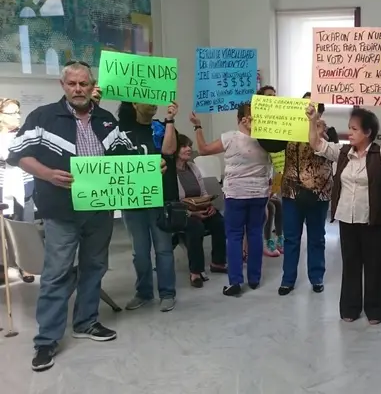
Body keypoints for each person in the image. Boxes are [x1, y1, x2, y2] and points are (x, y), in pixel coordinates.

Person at [7, 61, 139, 371]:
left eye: (84, 84)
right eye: (72, 84)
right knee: (56, 273)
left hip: (101, 209)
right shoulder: (43, 117)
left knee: (95, 266)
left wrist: (149, 167)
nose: (78, 89)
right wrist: (47, 174)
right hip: (60, 209)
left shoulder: (107, 120)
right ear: (63, 85)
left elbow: (126, 156)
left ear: (93, 86)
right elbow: (18, 155)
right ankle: (46, 340)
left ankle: (86, 322)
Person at [307, 104, 381, 324]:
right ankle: (350, 307)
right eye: (349, 128)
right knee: (350, 263)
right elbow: (315, 143)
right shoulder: (342, 153)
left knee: (374, 263)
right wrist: (312, 121)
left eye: (355, 129)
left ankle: (375, 310)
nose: (350, 132)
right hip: (346, 217)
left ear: (368, 132)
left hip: (372, 218)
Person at [190, 103, 277, 296]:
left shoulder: (230, 138)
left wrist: (198, 126)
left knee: (235, 237)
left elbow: (203, 150)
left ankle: (236, 281)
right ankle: (254, 279)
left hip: (236, 195)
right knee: (255, 234)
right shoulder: (266, 140)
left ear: (238, 119)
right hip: (258, 194)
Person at [118, 100, 179, 312]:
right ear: (135, 103)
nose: (153, 104)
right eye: (148, 99)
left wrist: (170, 119)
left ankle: (167, 293)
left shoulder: (161, 127)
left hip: (159, 198)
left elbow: (169, 151)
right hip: (132, 200)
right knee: (140, 252)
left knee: (163, 249)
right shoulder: (121, 130)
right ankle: (143, 292)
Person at [278, 101, 333, 297]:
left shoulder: (329, 131)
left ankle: (317, 277)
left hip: (318, 194)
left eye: (315, 108)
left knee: (317, 237)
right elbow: (271, 143)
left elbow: (330, 152)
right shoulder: (289, 130)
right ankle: (288, 280)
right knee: (291, 237)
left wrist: (320, 131)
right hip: (292, 192)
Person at [175, 134, 227, 288]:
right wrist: (191, 212)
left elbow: (203, 192)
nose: (189, 149)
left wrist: (208, 205)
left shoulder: (193, 167)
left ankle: (218, 262)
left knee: (219, 221)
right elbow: (173, 201)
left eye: (189, 146)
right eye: (184, 146)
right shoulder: (170, 172)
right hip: (183, 212)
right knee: (195, 227)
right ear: (175, 150)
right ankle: (195, 272)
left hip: (200, 207)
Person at [0, 97, 34, 283]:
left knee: (24, 227)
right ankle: (2, 266)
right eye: (12, 113)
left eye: (18, 112)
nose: (17, 117)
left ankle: (26, 265)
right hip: (2, 187)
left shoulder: (24, 134)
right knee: (1, 229)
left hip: (25, 185)